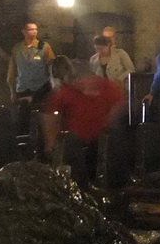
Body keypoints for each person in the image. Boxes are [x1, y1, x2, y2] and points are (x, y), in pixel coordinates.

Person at [44, 56, 128, 186]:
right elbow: (51, 116)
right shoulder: (66, 92)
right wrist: (52, 142)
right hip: (76, 147)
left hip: (101, 145)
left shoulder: (105, 86)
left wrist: (107, 124)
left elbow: (120, 103)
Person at [6, 20, 56, 121]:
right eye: (31, 29)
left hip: (40, 89)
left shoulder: (44, 47)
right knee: (23, 118)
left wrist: (51, 86)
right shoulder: (17, 49)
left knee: (39, 117)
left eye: (36, 29)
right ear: (23, 31)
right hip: (23, 89)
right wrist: (12, 91)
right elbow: (12, 71)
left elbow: (51, 68)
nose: (34, 31)